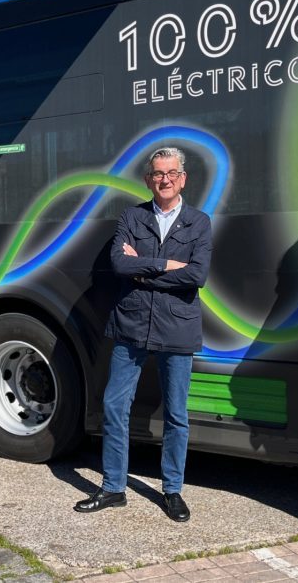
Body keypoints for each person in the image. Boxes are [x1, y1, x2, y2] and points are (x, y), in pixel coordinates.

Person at [75, 147, 212, 522]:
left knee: (176, 414)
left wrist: (143, 269)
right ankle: (113, 488)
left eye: (171, 173)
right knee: (115, 406)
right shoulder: (132, 216)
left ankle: (172, 491)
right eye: (156, 173)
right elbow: (119, 263)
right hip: (131, 324)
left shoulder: (199, 222)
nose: (163, 179)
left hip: (177, 329)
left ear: (182, 178)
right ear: (147, 179)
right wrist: (166, 264)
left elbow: (197, 275)